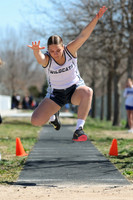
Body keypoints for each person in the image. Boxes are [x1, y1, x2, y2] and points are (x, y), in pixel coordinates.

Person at [28, 6, 107, 141]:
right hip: (56, 94)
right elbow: (40, 58)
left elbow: (83, 35)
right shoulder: (48, 58)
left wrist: (96, 18)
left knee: (88, 91)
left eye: (58, 50)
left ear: (63, 47)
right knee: (35, 120)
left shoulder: (70, 51)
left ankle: (79, 130)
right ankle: (54, 116)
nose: (55, 54)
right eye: (52, 51)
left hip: (75, 89)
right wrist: (36, 51)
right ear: (48, 50)